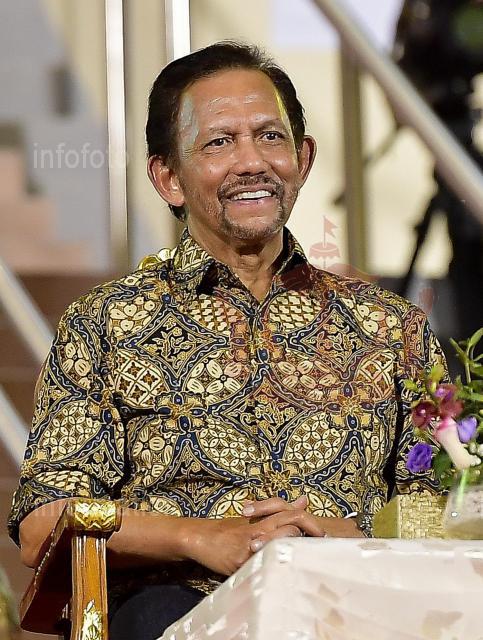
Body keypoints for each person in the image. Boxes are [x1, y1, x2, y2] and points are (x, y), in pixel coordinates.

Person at [9, 41, 446, 639]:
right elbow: (44, 524)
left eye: (270, 137)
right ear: (168, 178)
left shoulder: (391, 327)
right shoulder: (108, 323)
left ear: (303, 159)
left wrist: (348, 534)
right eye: (219, 142)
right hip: (176, 608)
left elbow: (445, 510)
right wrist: (200, 538)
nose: (251, 162)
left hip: (355, 605)